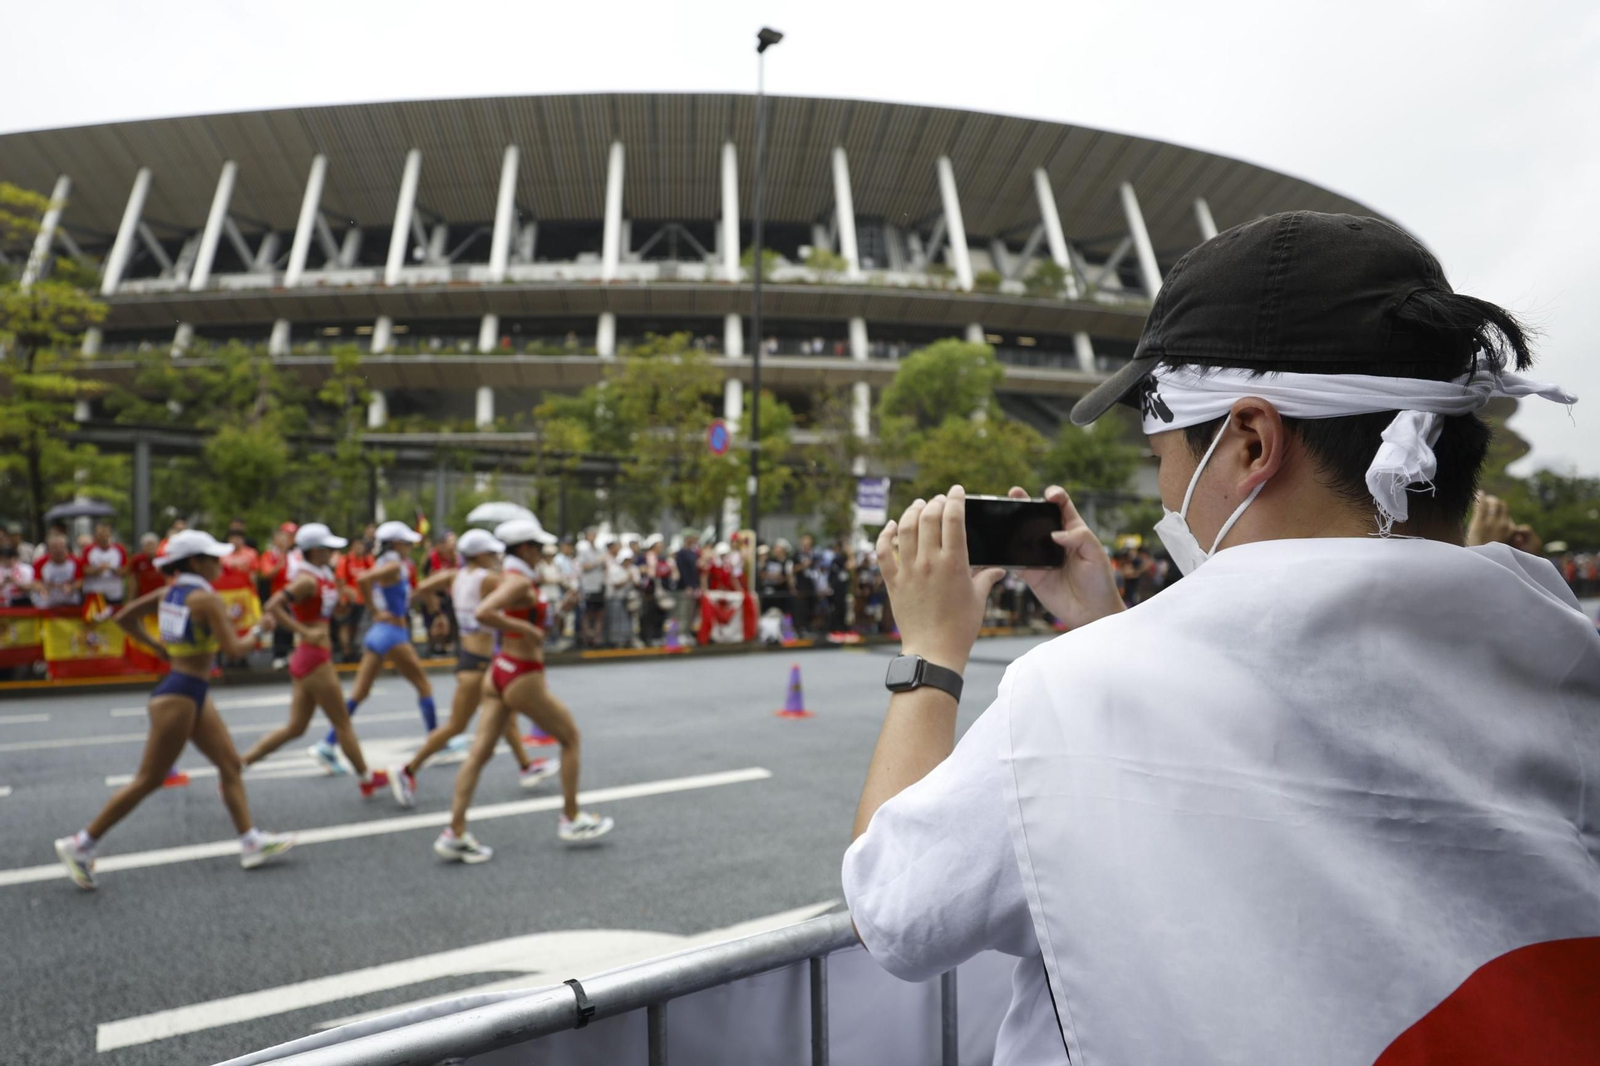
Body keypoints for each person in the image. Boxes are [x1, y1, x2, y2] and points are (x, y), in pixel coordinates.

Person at [841, 212, 1597, 1064]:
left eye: (1162, 450)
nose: (1168, 489)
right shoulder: (1565, 658)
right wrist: (1114, 629)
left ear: (1249, 442)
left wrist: (932, 651)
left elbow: (892, 912)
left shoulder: (1068, 699)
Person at [53, 530, 294, 890]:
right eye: (214, 559)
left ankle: (250, 841)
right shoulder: (205, 599)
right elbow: (235, 649)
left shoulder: (172, 592)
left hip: (187, 690)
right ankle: (80, 844)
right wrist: (261, 629)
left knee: (230, 764)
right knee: (149, 779)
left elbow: (124, 618)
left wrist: (158, 648)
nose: (220, 564)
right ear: (196, 562)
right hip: (180, 695)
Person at [430, 517, 613, 861]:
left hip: (500, 672)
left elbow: (529, 620)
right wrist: (525, 632)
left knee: (479, 753)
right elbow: (486, 612)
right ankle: (572, 817)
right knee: (570, 737)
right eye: (538, 548)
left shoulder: (517, 579)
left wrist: (556, 612)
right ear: (525, 549)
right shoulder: (517, 581)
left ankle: (455, 831)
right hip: (521, 674)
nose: (542, 553)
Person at [390, 527, 555, 804]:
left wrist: (438, 612)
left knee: (506, 718)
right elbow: (519, 592)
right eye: (492, 553)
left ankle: (526, 766)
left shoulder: (456, 576)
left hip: (472, 657)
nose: (496, 557)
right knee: (455, 726)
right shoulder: (489, 579)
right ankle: (407, 770)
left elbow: (422, 587)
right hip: (477, 663)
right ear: (479, 555)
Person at [241, 523, 388, 797]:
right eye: (329, 548)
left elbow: (320, 610)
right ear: (316, 550)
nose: (333, 551)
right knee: (342, 722)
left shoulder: (320, 575)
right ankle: (366, 777)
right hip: (314, 657)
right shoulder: (307, 579)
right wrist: (303, 630)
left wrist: (340, 606)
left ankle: (240, 765)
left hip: (311, 655)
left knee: (296, 728)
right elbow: (273, 605)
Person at [312, 522, 437, 769]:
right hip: (393, 633)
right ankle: (436, 739)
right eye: (407, 543)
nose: (411, 547)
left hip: (380, 632)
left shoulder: (389, 564)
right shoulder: (391, 565)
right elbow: (362, 580)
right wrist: (374, 610)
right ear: (396, 544)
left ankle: (327, 743)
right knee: (424, 686)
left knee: (359, 693)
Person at [259, 523, 297, 668]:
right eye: (281, 538)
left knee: (291, 626)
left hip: (293, 596)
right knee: (280, 626)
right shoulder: (269, 556)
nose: (285, 541)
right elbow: (267, 574)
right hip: (277, 597)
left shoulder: (295, 555)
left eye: (287, 538)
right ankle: (279, 655)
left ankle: (289, 654)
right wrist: (280, 561)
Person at [333, 535, 376, 662]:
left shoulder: (367, 560)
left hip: (362, 599)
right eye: (357, 545)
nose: (359, 548)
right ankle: (346, 651)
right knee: (345, 625)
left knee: (356, 626)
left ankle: (353, 648)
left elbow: (374, 576)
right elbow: (340, 580)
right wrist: (343, 596)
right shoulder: (345, 560)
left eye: (361, 545)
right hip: (348, 599)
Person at [81, 521, 130, 610]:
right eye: (100, 535)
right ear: (95, 536)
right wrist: (97, 569)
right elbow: (84, 570)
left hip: (114, 593)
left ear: (110, 535)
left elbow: (125, 571)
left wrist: (111, 568)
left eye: (105, 534)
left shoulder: (119, 549)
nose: (103, 537)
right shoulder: (88, 550)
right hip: (94, 593)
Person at [29, 533, 82, 608]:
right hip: (48, 602)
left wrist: (72, 587)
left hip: (70, 600)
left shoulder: (76, 562)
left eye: (61, 546)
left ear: (66, 547)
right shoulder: (40, 563)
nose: (58, 550)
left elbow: (80, 581)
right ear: (49, 549)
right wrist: (43, 588)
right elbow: (36, 582)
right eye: (54, 547)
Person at [576, 527, 606, 647]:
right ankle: (587, 638)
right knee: (587, 613)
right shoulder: (583, 550)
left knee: (599, 613)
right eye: (591, 534)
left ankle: (596, 638)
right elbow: (583, 567)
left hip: (599, 586)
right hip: (588, 587)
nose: (593, 536)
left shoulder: (600, 550)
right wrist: (597, 562)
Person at [672, 532, 702, 641]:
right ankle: (679, 634)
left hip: (693, 586)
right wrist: (687, 585)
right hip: (684, 587)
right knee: (682, 612)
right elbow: (683, 571)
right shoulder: (681, 553)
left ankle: (687, 632)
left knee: (691, 612)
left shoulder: (693, 553)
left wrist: (696, 585)